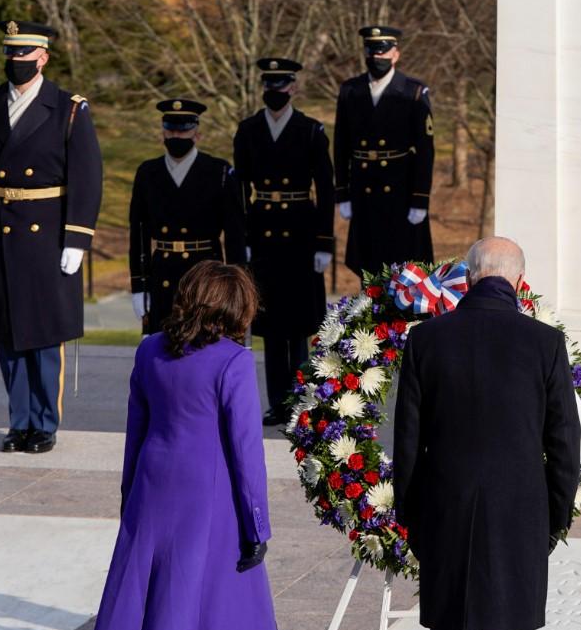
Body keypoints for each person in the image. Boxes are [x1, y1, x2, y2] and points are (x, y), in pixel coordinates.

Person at [392, 237, 581, 630]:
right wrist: (554, 518)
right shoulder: (545, 343)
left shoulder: (427, 339)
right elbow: (564, 443)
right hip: (520, 516)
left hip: (447, 513)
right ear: (519, 283)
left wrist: (413, 521)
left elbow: (408, 443)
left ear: (469, 278)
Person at [85, 260, 278, 630]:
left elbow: (137, 431)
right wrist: (258, 522)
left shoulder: (149, 350)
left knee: (165, 604)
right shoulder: (232, 361)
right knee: (238, 606)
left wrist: (131, 496)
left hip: (155, 488)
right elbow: (245, 450)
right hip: (212, 496)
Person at [0, 20, 103, 454]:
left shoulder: (69, 109)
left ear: (43, 57)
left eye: (24, 56)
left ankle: (44, 423)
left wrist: (77, 240)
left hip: (47, 238)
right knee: (7, 334)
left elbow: (88, 178)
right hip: (3, 235)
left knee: (43, 335)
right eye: (11, 55)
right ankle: (18, 421)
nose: (16, 63)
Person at [232, 58, 334, 425]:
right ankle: (278, 402)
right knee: (271, 326)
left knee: (300, 324)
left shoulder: (310, 131)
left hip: (301, 234)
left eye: (282, 86)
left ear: (293, 88)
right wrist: (241, 237)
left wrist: (324, 242)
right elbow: (240, 188)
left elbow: (325, 189)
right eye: (269, 86)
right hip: (263, 234)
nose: (275, 92)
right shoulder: (248, 130)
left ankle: (303, 400)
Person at [128, 98, 246, 333]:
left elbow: (235, 233)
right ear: (162, 133)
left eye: (183, 131)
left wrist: (236, 285)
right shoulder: (148, 173)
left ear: (196, 134)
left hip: (205, 271)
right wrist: (139, 284)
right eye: (170, 130)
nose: (176, 137)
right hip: (162, 273)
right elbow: (138, 233)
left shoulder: (219, 172)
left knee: (204, 344)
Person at [333, 25, 434, 278]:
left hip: (400, 189)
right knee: (368, 266)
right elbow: (341, 144)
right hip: (363, 189)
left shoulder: (413, 91)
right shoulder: (350, 90)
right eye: (372, 52)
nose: (377, 57)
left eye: (383, 52)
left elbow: (425, 150)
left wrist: (420, 198)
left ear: (395, 54)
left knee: (403, 265)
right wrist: (342, 193)